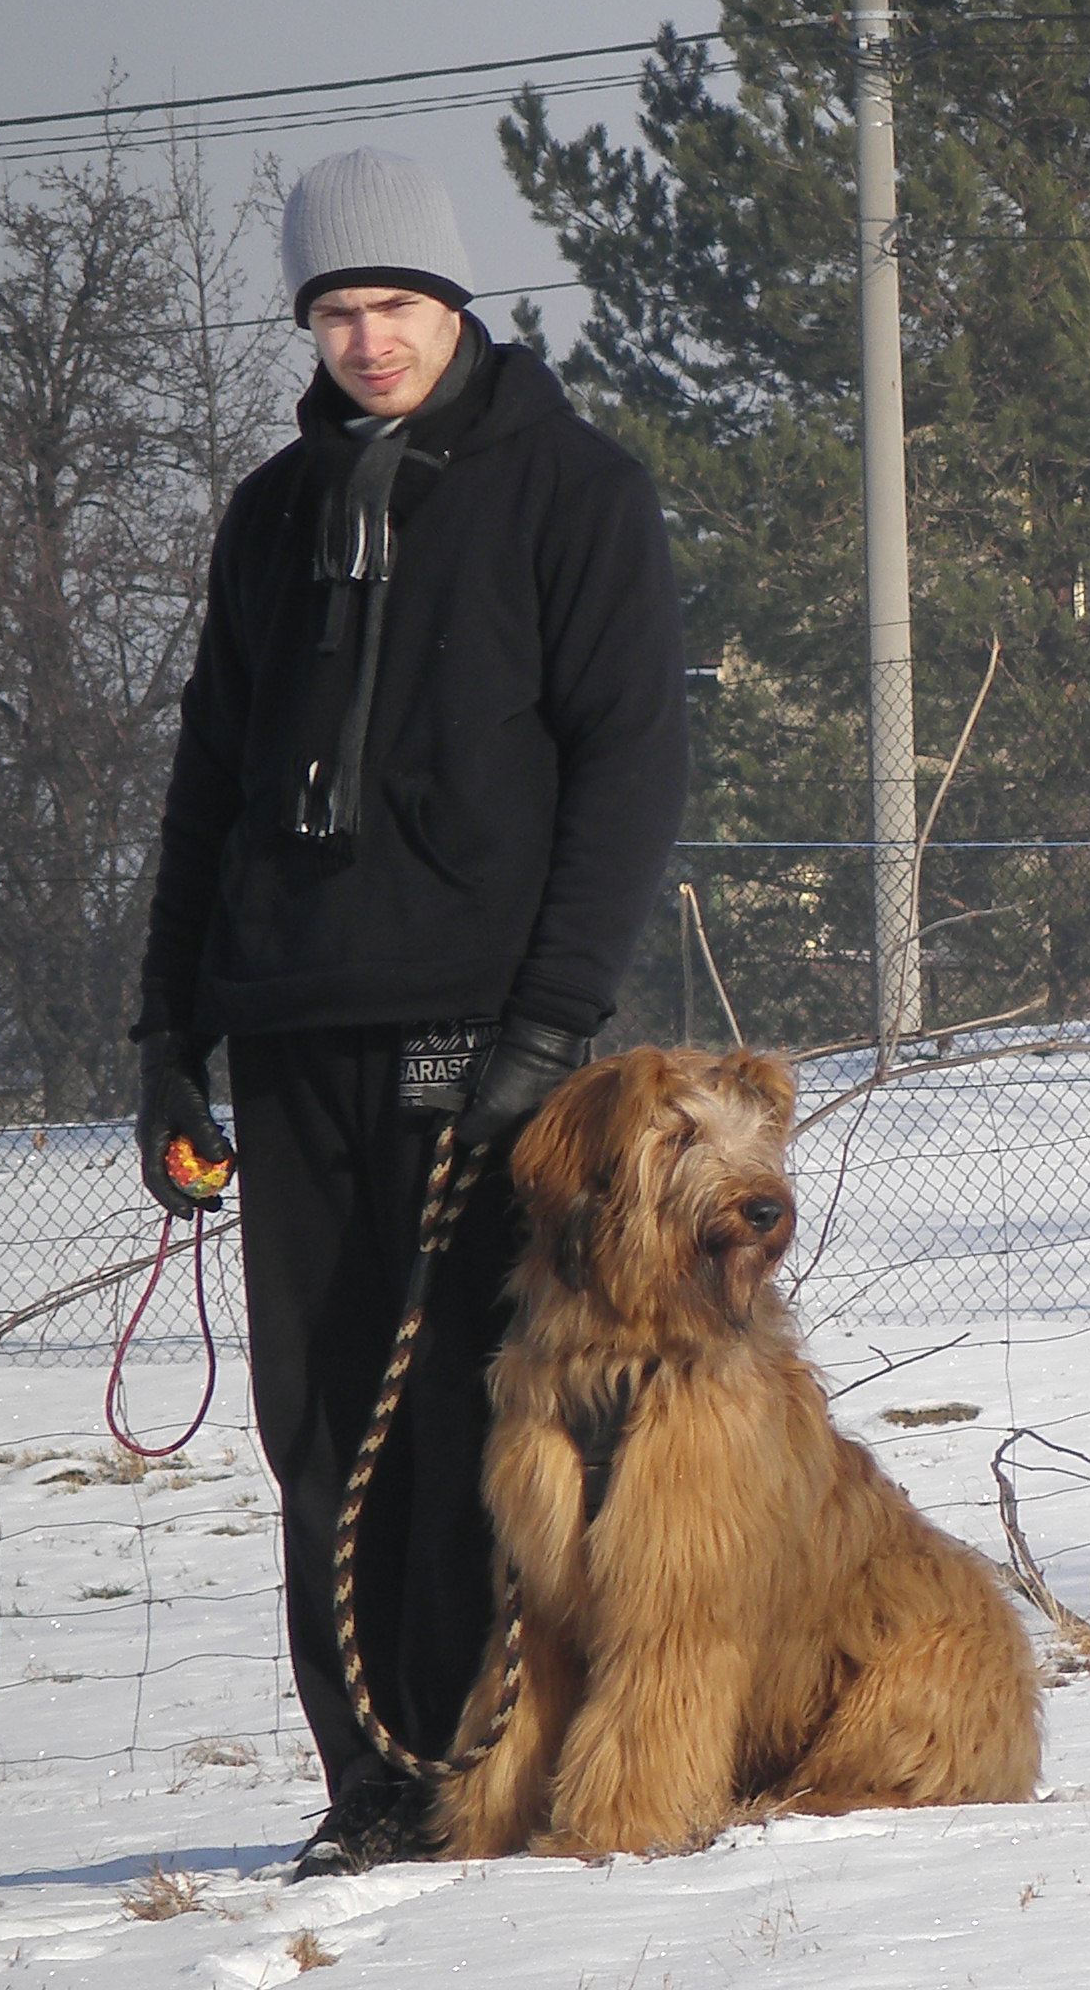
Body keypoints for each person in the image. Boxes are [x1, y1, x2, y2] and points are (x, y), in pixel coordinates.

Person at [131, 149, 687, 1877]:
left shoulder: (577, 494)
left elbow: (628, 773)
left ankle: (495, 1768)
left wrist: (552, 1020)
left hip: (485, 1021)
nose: (368, 339)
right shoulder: (274, 518)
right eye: (336, 310)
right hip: (292, 1013)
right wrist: (167, 1033)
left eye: (396, 305)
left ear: (457, 306)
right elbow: (209, 783)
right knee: (320, 1421)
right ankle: (367, 1782)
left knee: (476, 1405)